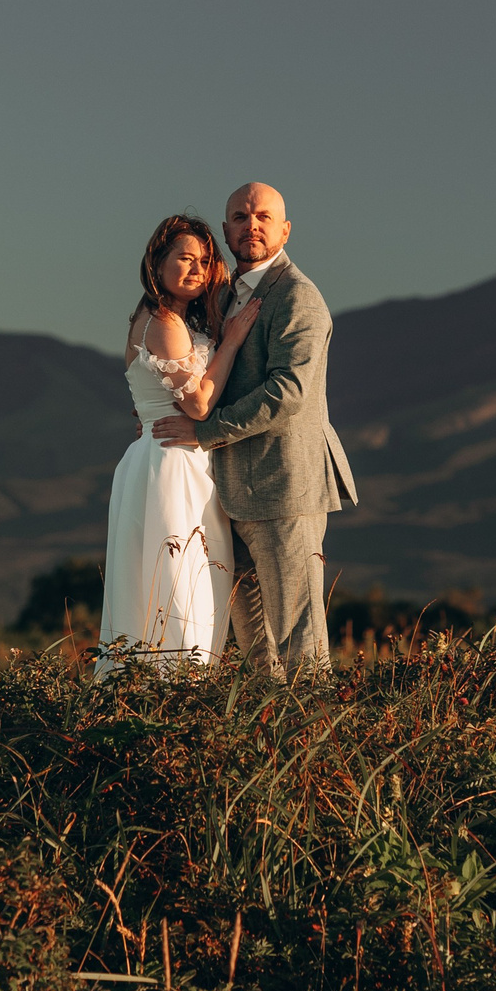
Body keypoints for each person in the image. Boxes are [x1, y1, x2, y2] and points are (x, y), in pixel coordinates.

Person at [150, 182, 357, 679]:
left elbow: (289, 393)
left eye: (263, 216)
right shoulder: (218, 294)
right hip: (228, 493)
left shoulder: (298, 297)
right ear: (226, 231)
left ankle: (317, 746)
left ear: (285, 229)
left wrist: (203, 432)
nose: (252, 224)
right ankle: (268, 745)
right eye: (240, 217)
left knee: (298, 640)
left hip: (285, 486)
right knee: (255, 646)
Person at [95, 214, 265, 674]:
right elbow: (198, 406)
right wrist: (229, 344)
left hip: (172, 458)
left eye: (205, 261)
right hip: (171, 465)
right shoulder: (164, 321)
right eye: (185, 258)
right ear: (158, 261)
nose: (196, 269)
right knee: (178, 583)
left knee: (185, 582)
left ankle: (169, 692)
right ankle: (174, 689)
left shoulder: (173, 316)